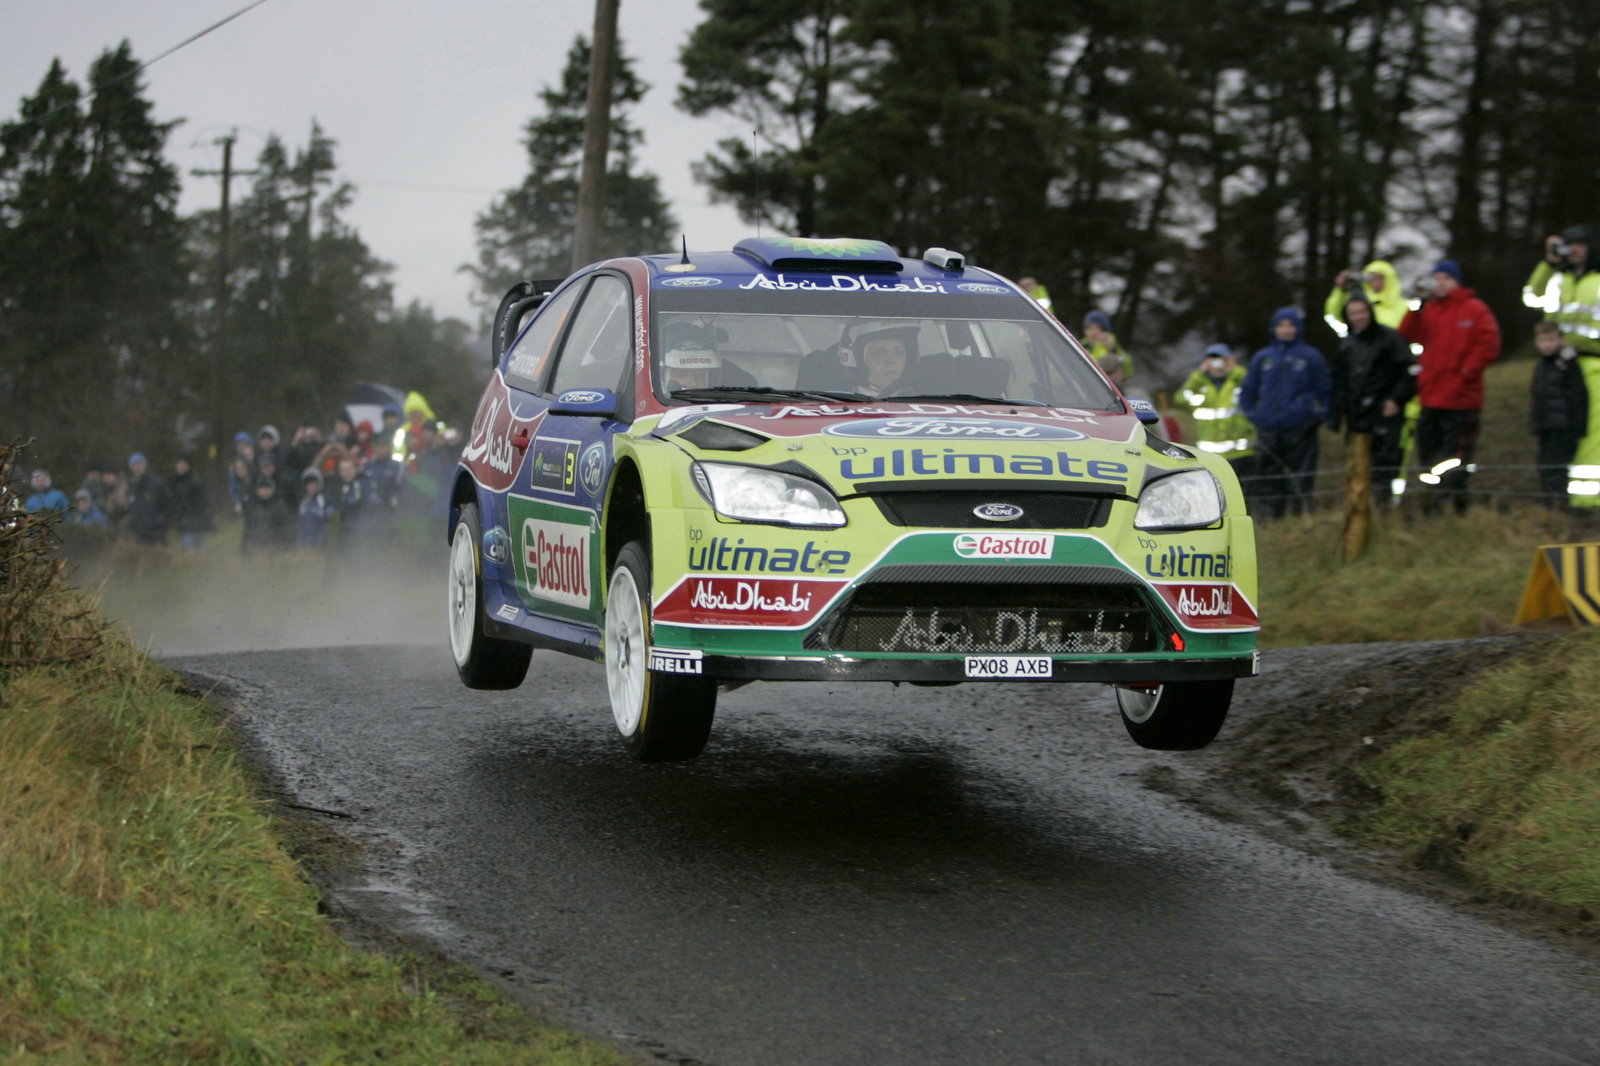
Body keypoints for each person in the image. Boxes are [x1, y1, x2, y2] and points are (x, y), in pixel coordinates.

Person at [1398, 259, 1501, 514]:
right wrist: (1418, 303)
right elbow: (1407, 334)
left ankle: (1455, 504)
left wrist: (1466, 373)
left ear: (1456, 281)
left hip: (1461, 400)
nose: (1441, 283)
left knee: (1455, 456)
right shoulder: (1429, 309)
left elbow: (1489, 344)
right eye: (1437, 278)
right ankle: (1434, 504)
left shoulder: (1474, 309)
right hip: (1431, 397)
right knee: (1429, 454)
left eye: (1446, 278)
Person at [1523, 225, 1600, 510]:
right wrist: (1548, 262)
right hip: (1556, 365)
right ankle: (1558, 497)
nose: (1575, 250)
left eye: (1580, 244)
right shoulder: (1557, 279)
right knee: (1557, 430)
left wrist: (1578, 344)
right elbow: (1531, 297)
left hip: (1593, 363)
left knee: (1592, 432)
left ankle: (1587, 499)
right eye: (1569, 245)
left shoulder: (1598, 281)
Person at [1239, 308, 1331, 519]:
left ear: (1298, 328)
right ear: (1274, 328)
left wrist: (1317, 416)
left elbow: (1324, 390)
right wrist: (1255, 415)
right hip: (1269, 427)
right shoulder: (1263, 358)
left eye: (1291, 325)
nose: (1286, 330)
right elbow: (1248, 390)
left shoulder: (1310, 357)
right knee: (1268, 476)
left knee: (1300, 477)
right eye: (1282, 325)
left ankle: (1300, 518)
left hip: (1300, 428)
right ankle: (1270, 519)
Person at [1328, 294, 1415, 507]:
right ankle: (1360, 509)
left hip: (1385, 415)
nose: (1359, 317)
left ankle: (1385, 508)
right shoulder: (1347, 344)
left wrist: (1396, 400)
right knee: (1358, 466)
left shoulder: (1390, 338)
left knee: (1386, 464)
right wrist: (1336, 415)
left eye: (1362, 311)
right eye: (1353, 313)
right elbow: (1339, 381)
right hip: (1357, 417)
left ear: (1370, 312)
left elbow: (1409, 372)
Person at [1529, 321, 1589, 510]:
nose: (1547, 344)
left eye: (1551, 340)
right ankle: (1550, 505)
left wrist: (1578, 428)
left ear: (1560, 340)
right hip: (1546, 428)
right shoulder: (1541, 366)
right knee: (1544, 466)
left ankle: (1561, 505)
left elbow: (1579, 397)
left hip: (1564, 428)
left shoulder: (1569, 364)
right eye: (1543, 340)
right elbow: (1537, 399)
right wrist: (1535, 426)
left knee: (1559, 467)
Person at [1176, 344, 1254, 475]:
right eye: (1211, 359)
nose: (1216, 363)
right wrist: (1198, 376)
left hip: (1242, 452)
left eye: (1220, 358)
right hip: (1211, 455)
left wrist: (1233, 369)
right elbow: (1180, 399)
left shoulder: (1237, 379)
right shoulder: (1201, 384)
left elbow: (1253, 387)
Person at [1323, 260, 1409, 335]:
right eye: (1370, 277)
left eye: (1378, 277)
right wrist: (1341, 291)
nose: (1374, 281)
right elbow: (1334, 312)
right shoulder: (1361, 304)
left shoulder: (1405, 307)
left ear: (1388, 279)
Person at [853, 324, 919, 396]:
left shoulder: (922, 401)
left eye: (898, 352)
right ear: (865, 362)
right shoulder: (846, 402)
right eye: (881, 353)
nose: (890, 361)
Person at [124, 452, 173, 546]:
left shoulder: (157, 483)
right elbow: (131, 508)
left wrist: (159, 522)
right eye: (135, 464)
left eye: (140, 464)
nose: (137, 467)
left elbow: (168, 505)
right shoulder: (131, 487)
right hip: (138, 534)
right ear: (131, 467)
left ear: (145, 465)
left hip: (156, 534)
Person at [169, 452, 216, 550]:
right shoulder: (178, 482)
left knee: (189, 554)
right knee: (193, 555)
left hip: (193, 526)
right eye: (179, 464)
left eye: (183, 464)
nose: (181, 466)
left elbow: (203, 503)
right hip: (185, 525)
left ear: (188, 466)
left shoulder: (195, 482)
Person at [1081, 311, 1135, 388]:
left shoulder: (1112, 346)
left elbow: (1128, 371)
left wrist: (1113, 350)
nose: (1093, 333)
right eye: (1089, 328)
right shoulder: (1081, 345)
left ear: (1105, 331)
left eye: (1097, 328)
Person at [297, 467, 333, 548]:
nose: (311, 487)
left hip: (320, 545)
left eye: (313, 484)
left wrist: (322, 542)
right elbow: (301, 525)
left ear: (319, 484)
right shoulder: (304, 502)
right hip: (304, 545)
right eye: (308, 484)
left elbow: (327, 524)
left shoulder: (325, 500)